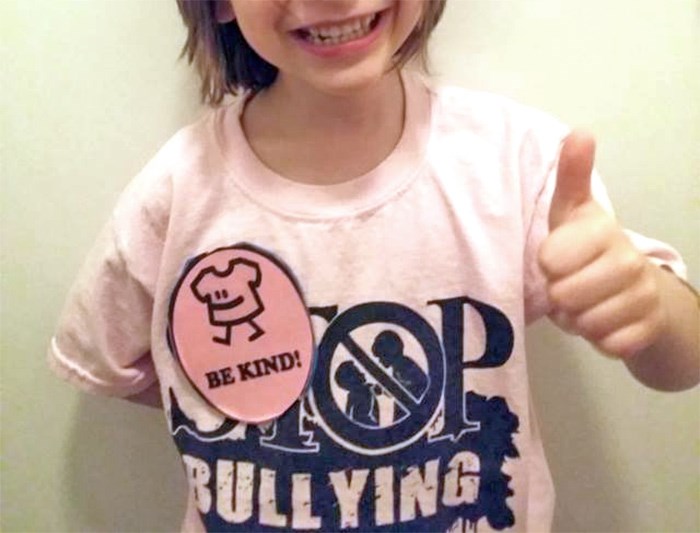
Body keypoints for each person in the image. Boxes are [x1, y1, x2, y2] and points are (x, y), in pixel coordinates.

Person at [48, 1, 699, 531]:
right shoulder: (179, 192)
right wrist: (235, 394)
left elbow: (685, 358)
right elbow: (105, 359)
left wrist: (644, 302)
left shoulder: (515, 164)